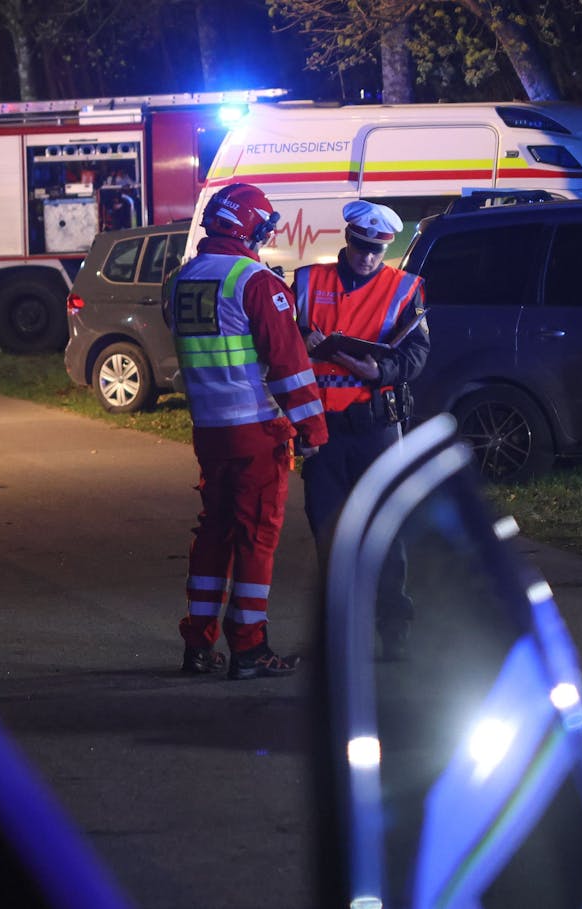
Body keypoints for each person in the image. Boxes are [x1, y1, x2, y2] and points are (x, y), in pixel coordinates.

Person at [168, 183, 328, 680]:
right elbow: (289, 367)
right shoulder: (254, 281)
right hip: (255, 430)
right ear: (251, 229)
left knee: (214, 534)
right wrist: (313, 428)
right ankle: (250, 648)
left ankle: (198, 644)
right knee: (255, 538)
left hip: (208, 432)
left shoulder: (180, 279)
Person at [292, 200, 429, 659]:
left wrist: (382, 372)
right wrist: (302, 338)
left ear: (387, 246)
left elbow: (417, 353)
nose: (367, 257)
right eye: (360, 246)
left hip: (375, 425)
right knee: (328, 534)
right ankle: (342, 634)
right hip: (323, 428)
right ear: (347, 240)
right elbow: (281, 341)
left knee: (385, 531)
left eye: (376, 249)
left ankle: (395, 629)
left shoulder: (405, 288)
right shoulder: (309, 281)